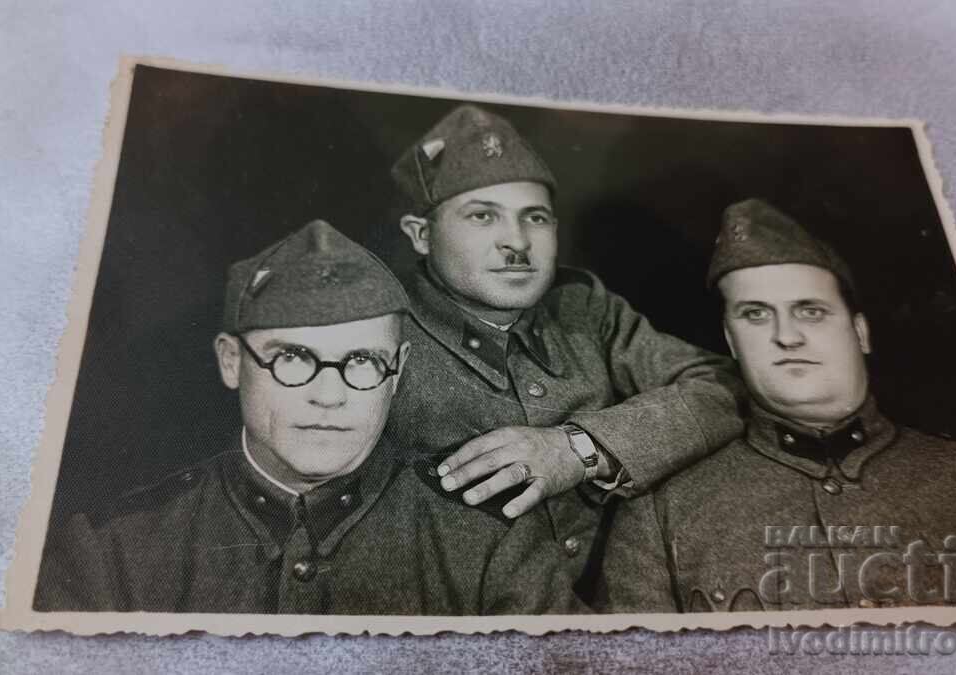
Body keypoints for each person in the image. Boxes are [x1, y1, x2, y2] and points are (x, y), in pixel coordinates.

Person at [34, 220, 585, 615]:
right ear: (232, 362)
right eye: (293, 359)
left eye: (363, 362)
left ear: (397, 372)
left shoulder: (488, 542)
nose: (329, 395)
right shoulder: (111, 552)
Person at [596, 199, 956, 612]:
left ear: (860, 332)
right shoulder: (659, 515)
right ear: (731, 342)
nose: (787, 335)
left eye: (810, 310)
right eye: (755, 314)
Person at [385, 105, 745, 586]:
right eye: (482, 216)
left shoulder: (583, 309)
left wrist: (578, 449)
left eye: (534, 217)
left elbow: (723, 387)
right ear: (421, 235)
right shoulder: (377, 335)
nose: (516, 241)